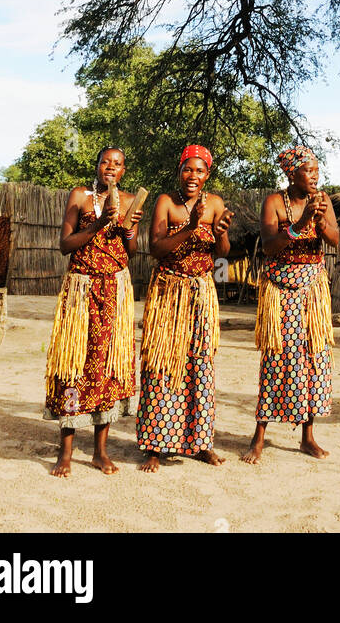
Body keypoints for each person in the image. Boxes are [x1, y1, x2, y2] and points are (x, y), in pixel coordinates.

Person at [45, 146, 144, 476]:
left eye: (117, 164)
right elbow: (65, 245)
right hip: (81, 288)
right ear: (98, 165)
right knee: (74, 366)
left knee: (107, 367)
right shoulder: (80, 196)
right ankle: (66, 452)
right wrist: (99, 224)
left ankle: (100, 451)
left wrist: (129, 231)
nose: (110, 168)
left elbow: (130, 251)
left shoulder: (130, 201)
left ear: (123, 170)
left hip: (114, 290)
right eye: (105, 162)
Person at [136, 144, 232, 471]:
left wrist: (220, 234)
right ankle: (154, 445)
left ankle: (200, 443)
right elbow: (155, 248)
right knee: (162, 363)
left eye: (200, 170)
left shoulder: (216, 204)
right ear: (179, 171)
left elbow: (222, 255)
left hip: (202, 292)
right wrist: (191, 227)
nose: (193, 176)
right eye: (188, 169)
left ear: (208, 174)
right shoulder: (166, 202)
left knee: (200, 366)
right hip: (168, 292)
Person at [242, 145, 338, 465]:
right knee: (276, 359)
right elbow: (269, 247)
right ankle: (259, 437)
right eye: (308, 170)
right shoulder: (273, 202)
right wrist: (301, 223)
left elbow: (336, 239)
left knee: (312, 359)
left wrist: (320, 222)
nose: (315, 175)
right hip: (280, 292)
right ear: (291, 173)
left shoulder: (323, 200)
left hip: (312, 289)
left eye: (316, 170)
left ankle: (307, 437)